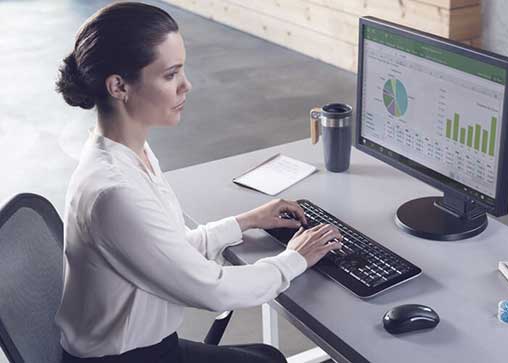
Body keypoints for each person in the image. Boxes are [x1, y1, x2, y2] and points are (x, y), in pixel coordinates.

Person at [53, 2, 342, 363]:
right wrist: (294, 259)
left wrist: (245, 221)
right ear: (119, 86)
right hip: (128, 359)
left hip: (146, 348)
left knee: (266, 357)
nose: (186, 85)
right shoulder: (113, 191)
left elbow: (165, 249)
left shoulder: (129, 152)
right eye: (170, 74)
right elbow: (213, 289)